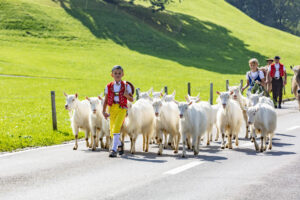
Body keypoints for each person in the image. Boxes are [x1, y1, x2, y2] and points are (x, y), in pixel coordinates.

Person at [102, 65, 134, 157]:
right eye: (115, 73)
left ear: (123, 74)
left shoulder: (126, 86)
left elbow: (132, 99)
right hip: (112, 109)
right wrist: (103, 111)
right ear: (112, 75)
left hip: (121, 109)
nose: (117, 75)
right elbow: (106, 99)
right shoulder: (108, 86)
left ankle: (113, 150)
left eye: (119, 73)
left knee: (116, 128)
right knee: (112, 131)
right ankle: (120, 144)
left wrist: (127, 95)